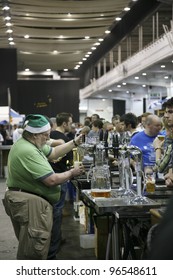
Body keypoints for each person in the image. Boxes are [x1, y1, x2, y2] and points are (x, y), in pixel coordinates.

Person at [3, 114, 84, 260]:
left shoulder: (31, 144)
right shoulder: (27, 150)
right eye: (46, 135)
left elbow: (53, 153)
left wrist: (74, 143)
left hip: (30, 201)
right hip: (30, 204)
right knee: (33, 250)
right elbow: (51, 180)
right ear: (35, 135)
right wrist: (72, 172)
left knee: (34, 246)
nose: (48, 139)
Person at [48, 112, 74, 259]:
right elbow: (70, 162)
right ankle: (54, 249)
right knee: (57, 214)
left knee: (52, 213)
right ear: (64, 124)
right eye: (70, 123)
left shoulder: (49, 136)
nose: (71, 125)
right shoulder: (65, 139)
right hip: (60, 179)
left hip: (49, 178)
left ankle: (54, 241)